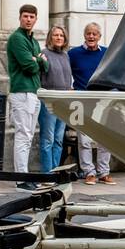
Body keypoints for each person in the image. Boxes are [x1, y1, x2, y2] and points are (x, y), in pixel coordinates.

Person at [6, 3, 48, 191]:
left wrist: (37, 60)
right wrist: (38, 59)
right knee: (23, 135)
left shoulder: (34, 41)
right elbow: (29, 66)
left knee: (29, 136)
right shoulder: (17, 38)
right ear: (20, 18)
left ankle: (25, 176)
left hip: (33, 91)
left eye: (32, 17)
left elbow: (46, 67)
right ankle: (21, 179)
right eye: (25, 16)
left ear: (36, 19)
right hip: (21, 92)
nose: (28, 19)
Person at [67, 22, 114, 184]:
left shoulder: (107, 53)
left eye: (95, 34)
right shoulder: (74, 53)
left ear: (99, 36)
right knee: (84, 139)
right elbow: (66, 72)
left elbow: (112, 73)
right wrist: (69, 88)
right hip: (81, 100)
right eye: (88, 33)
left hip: (102, 100)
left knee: (105, 138)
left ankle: (104, 172)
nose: (91, 36)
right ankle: (89, 172)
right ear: (84, 36)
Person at [37, 24, 73, 181]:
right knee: (48, 140)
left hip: (63, 102)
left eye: (61, 36)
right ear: (50, 38)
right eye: (56, 35)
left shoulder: (65, 55)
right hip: (49, 102)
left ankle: (56, 173)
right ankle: (47, 174)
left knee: (58, 140)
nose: (59, 38)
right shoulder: (44, 54)